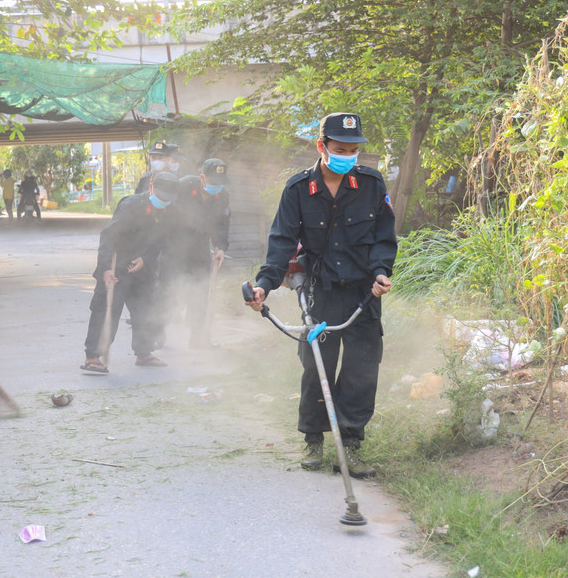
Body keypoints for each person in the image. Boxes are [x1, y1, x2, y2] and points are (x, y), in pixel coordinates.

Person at [246, 113, 396, 477]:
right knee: (317, 369)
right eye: (340, 149)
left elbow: (384, 237)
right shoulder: (299, 189)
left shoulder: (373, 185)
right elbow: (281, 242)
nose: (348, 156)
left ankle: (352, 445)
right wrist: (264, 284)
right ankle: (314, 439)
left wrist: (381, 272)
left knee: (362, 371)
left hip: (363, 293)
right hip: (320, 293)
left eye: (353, 150)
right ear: (322, 146)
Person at [80, 172, 180, 374]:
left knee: (145, 310)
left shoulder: (170, 212)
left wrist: (146, 259)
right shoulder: (131, 206)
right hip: (117, 265)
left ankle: (144, 353)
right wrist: (106, 268)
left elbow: (161, 243)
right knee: (106, 310)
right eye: (161, 196)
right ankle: (93, 356)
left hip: (142, 267)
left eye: (167, 198)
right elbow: (108, 236)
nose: (163, 201)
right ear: (151, 186)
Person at [163, 157, 231, 349]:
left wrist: (220, 247)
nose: (217, 186)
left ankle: (198, 339)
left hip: (199, 249)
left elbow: (222, 224)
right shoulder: (182, 187)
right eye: (212, 182)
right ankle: (156, 335)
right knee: (166, 292)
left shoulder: (223, 195)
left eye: (220, 182)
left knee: (199, 294)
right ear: (202, 177)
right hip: (173, 247)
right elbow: (165, 214)